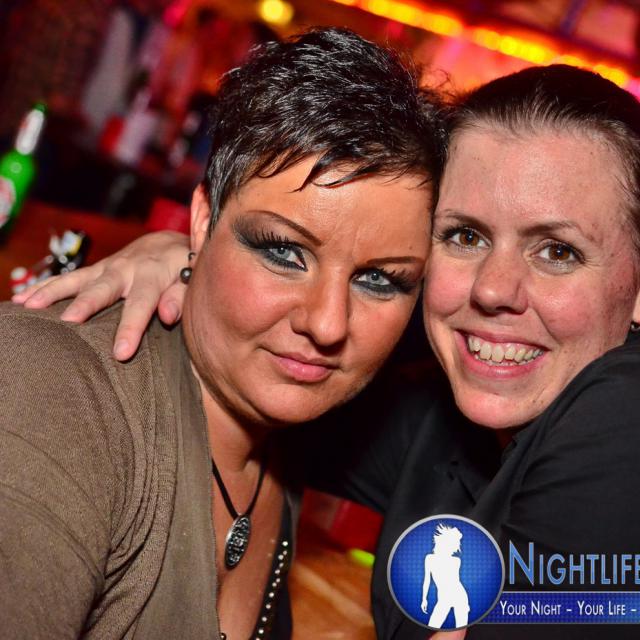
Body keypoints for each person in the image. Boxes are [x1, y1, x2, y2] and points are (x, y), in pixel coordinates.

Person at [14, 65, 640, 640]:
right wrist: (193, 259)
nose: (494, 289)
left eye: (558, 251)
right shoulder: (432, 423)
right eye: (466, 236)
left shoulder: (623, 411)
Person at [0, 27, 445, 639]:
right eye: (284, 252)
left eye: (379, 280)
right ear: (202, 220)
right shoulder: (53, 395)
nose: (327, 324)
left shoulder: (292, 424)